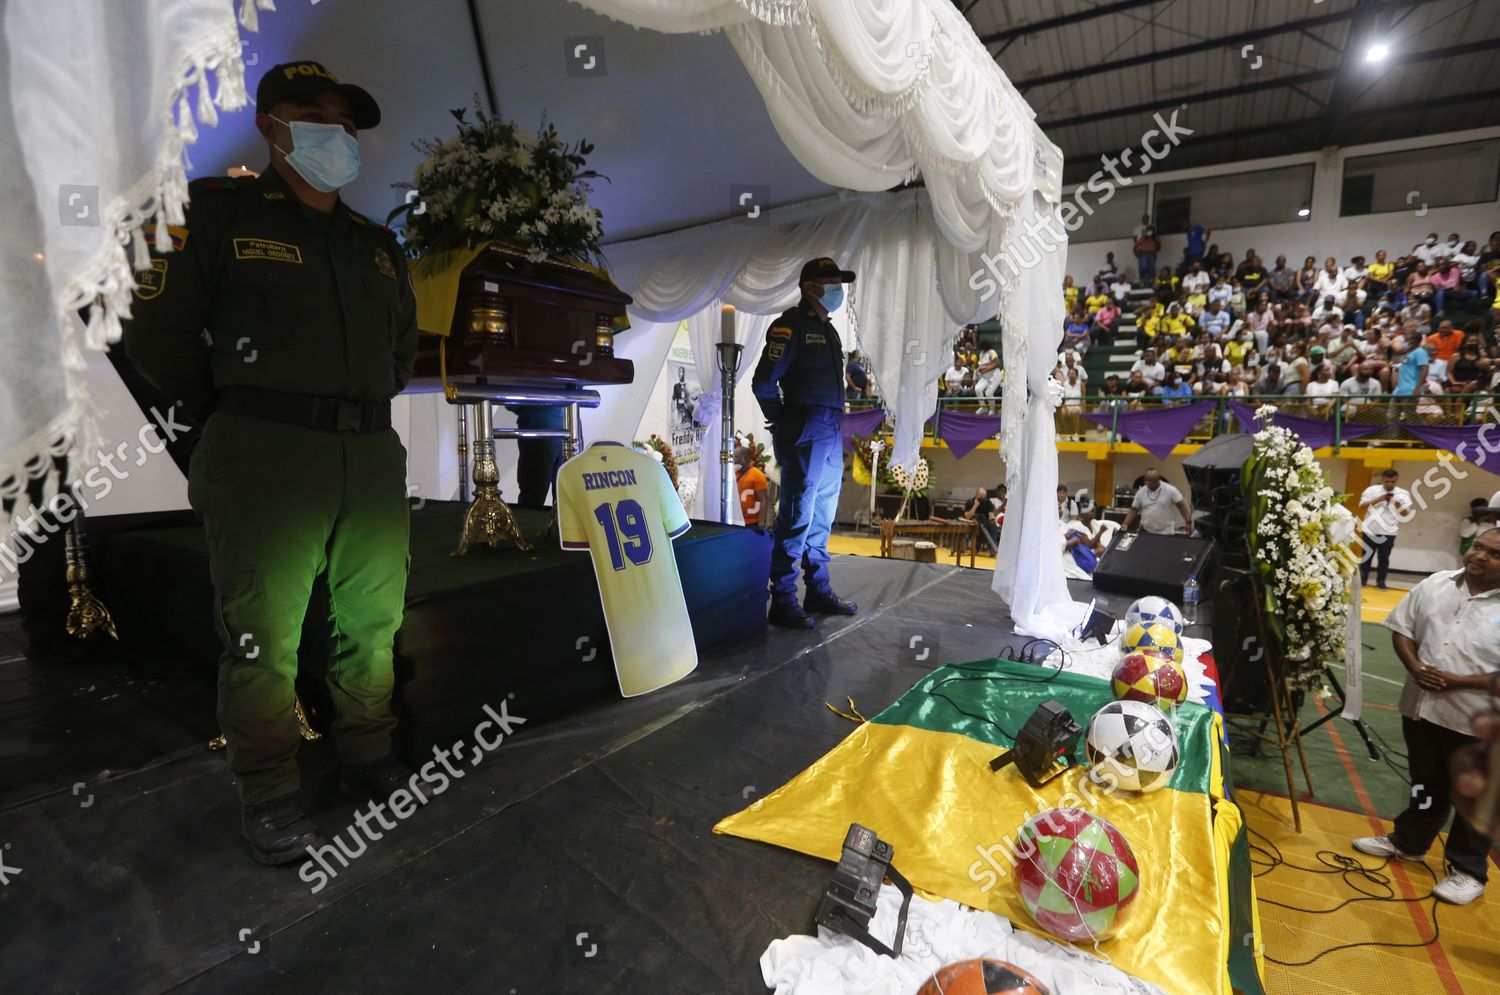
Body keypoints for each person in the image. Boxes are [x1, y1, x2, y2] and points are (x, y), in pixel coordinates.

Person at [120, 62, 416, 865]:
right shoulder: (216, 215)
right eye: (314, 112)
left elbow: (400, 355)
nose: (336, 130)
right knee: (262, 637)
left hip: (369, 451)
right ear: (271, 124)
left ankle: (366, 756)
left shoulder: (378, 246)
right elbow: (156, 335)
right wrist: (240, 404)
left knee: (374, 623)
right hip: (266, 452)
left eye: (346, 121)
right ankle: (271, 793)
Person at [1352, 527, 1500, 906]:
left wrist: (1458, 682)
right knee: (1425, 782)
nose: (1479, 555)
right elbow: (1403, 629)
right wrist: (1415, 666)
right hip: (1422, 709)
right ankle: (1410, 842)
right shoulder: (1436, 584)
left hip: (1479, 721)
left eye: (1493, 554)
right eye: (1477, 546)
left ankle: (1468, 870)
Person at [752, 257, 860, 628]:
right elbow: (764, 382)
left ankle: (817, 588)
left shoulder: (829, 331)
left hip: (829, 429)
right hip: (806, 426)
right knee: (798, 513)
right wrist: (782, 419)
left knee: (823, 513)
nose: (837, 290)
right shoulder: (789, 326)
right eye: (831, 282)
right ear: (811, 287)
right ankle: (782, 598)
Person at [1359, 469, 1412, 589]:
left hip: (1389, 531)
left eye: (1393, 481)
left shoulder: (1403, 494)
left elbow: (1405, 514)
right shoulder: (1371, 490)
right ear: (1382, 479)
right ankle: (1362, 580)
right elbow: (1361, 506)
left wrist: (1398, 505)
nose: (1390, 484)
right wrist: (1378, 499)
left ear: (1396, 480)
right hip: (1370, 530)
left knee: (1384, 558)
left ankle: (1381, 582)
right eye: (1387, 481)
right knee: (1366, 557)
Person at [1121, 469, 1191, 535]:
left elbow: (1182, 506)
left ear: (1158, 480)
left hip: (1166, 532)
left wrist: (1188, 522)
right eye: (1147, 482)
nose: (1149, 484)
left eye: (1152, 482)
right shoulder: (1141, 492)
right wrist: (1125, 523)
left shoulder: (1171, 490)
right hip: (1146, 530)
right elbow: (1134, 509)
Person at [733, 446, 768, 528]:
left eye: (736, 457)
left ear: (744, 458)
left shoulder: (757, 475)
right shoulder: (732, 473)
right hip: (735, 521)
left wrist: (762, 522)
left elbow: (763, 500)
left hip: (752, 523)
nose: (733, 459)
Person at [1132, 213, 1158, 283]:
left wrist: (1155, 250)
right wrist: (1138, 248)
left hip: (1152, 252)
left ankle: (1151, 282)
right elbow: (1134, 239)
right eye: (1144, 218)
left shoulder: (1152, 227)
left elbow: (1157, 242)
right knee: (1143, 267)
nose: (1145, 219)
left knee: (1151, 268)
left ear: (1148, 219)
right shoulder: (1138, 228)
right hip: (1142, 250)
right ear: (1142, 219)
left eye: (1147, 218)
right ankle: (1143, 281)